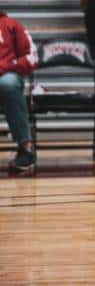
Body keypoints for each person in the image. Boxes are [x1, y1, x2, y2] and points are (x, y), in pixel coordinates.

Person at [0, 10, 37, 173]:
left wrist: (8, 66)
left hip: (6, 76)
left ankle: (25, 149)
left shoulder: (12, 24)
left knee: (7, 83)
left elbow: (31, 57)